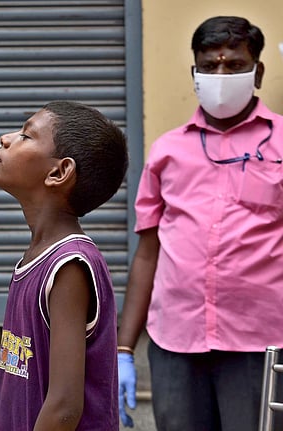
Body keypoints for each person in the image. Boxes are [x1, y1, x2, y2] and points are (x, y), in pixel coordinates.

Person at [117, 16, 283, 431]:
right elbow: (148, 253)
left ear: (258, 71)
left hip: (260, 341)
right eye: (209, 66)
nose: (221, 76)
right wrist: (122, 349)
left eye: (234, 65)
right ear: (195, 73)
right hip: (176, 340)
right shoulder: (167, 151)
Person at [0, 101, 128, 431]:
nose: (5, 138)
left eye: (26, 136)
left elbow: (64, 407)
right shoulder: (36, 257)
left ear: (59, 172)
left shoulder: (68, 265)